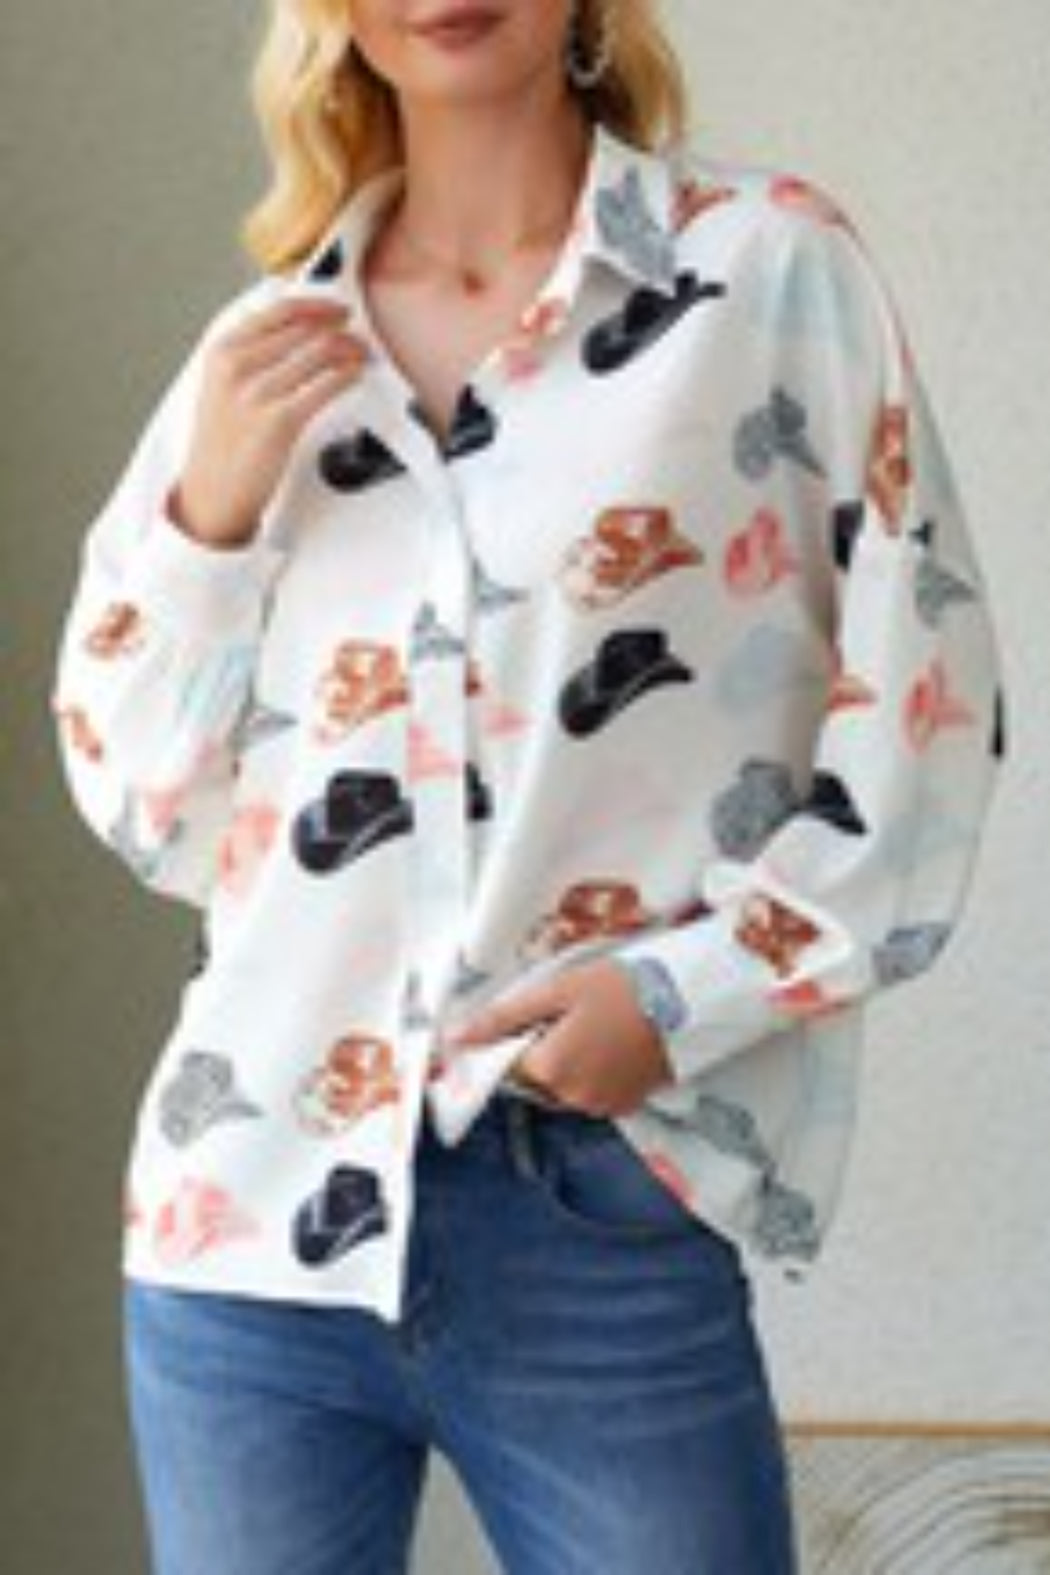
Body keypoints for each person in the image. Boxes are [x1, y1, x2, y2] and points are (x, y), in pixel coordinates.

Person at [50, 1, 1008, 1571]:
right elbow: (148, 809)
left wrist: (679, 997)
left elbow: (927, 708)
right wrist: (205, 527)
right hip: (245, 1226)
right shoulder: (261, 354)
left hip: (590, 1210)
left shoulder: (764, 270)